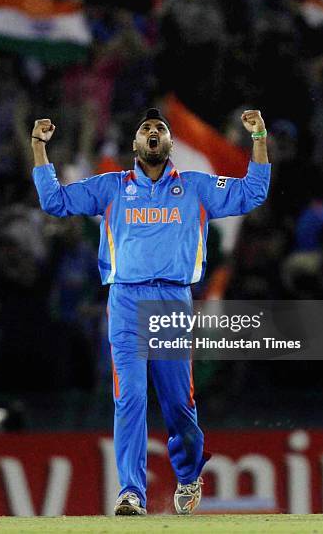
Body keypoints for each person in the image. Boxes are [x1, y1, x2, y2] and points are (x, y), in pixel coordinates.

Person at [31, 107, 271, 515]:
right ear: (136, 144)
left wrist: (259, 139)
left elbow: (253, 193)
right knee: (130, 398)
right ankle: (131, 493)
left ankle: (190, 472)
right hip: (125, 300)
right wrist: (38, 147)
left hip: (174, 302)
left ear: (170, 143)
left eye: (160, 128)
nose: (153, 132)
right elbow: (54, 202)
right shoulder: (111, 187)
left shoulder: (195, 186)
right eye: (146, 128)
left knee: (179, 404)